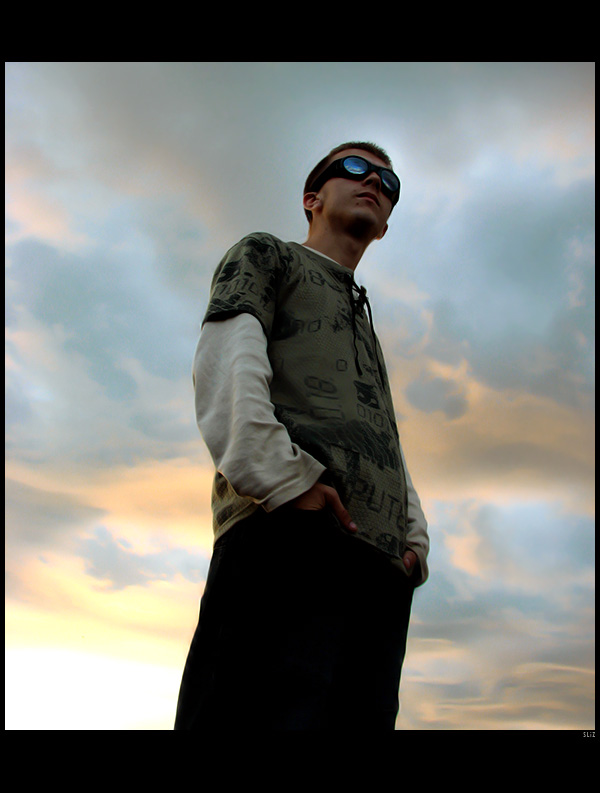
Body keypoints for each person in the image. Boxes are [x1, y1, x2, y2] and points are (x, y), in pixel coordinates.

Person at [174, 141, 429, 731]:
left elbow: (381, 435)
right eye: (356, 168)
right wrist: (285, 483)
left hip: (381, 572)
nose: (375, 182)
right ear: (313, 198)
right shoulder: (267, 255)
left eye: (389, 183)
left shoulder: (364, 320)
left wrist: (413, 538)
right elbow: (227, 361)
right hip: (287, 532)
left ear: (386, 225)